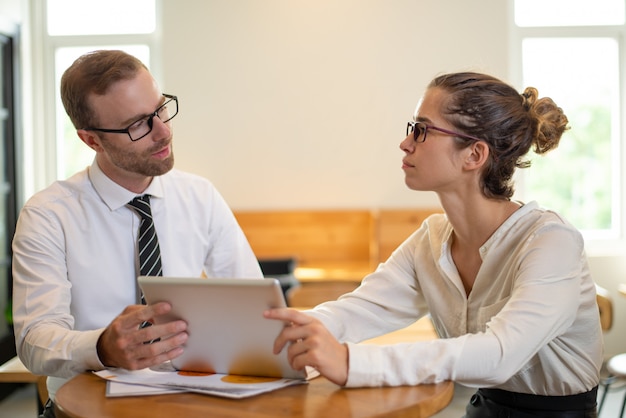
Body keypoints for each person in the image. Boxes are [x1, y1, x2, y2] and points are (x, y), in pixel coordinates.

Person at [265, 72, 602, 417]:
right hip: (483, 409)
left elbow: (500, 354)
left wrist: (351, 362)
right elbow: (365, 308)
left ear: (474, 154)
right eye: (411, 127)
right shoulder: (432, 238)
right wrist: (287, 330)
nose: (406, 143)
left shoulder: (551, 242)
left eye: (422, 130)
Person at [12, 50, 263, 416]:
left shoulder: (200, 196)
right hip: (85, 409)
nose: (163, 131)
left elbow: (254, 307)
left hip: (191, 401)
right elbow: (34, 341)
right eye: (137, 125)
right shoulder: (48, 215)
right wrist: (101, 348)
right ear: (91, 140)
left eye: (161, 109)